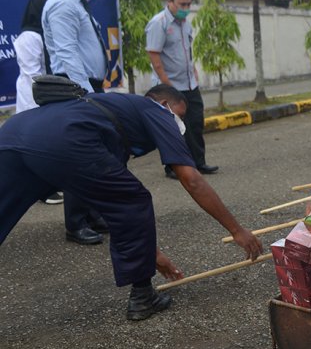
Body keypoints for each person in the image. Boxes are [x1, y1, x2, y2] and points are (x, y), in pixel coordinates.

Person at [0, 85, 263, 321]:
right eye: (180, 116)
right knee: (134, 199)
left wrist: (149, 251)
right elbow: (190, 179)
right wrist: (237, 230)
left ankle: (142, 283)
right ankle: (142, 296)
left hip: (13, 133)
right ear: (164, 105)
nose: (179, 123)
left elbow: (107, 197)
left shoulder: (114, 111)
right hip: (64, 139)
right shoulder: (156, 111)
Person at [42, 0, 110, 242]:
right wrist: (86, 95)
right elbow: (67, 52)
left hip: (87, 86)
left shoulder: (76, 2)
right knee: (78, 155)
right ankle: (76, 223)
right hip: (74, 89)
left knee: (95, 154)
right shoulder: (62, 5)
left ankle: (93, 214)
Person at [146, 0, 218, 179]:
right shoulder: (158, 23)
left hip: (189, 83)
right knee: (173, 128)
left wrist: (193, 72)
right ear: (169, 1)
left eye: (189, 3)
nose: (186, 7)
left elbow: (188, 52)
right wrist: (166, 85)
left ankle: (198, 163)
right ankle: (173, 168)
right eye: (182, 4)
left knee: (195, 122)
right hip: (170, 86)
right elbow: (154, 55)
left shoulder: (185, 22)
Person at [13, 0, 64, 205]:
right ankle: (42, 190)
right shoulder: (29, 37)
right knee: (36, 143)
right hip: (34, 95)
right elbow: (34, 72)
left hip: (45, 93)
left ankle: (47, 184)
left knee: (46, 142)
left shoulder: (45, 35)